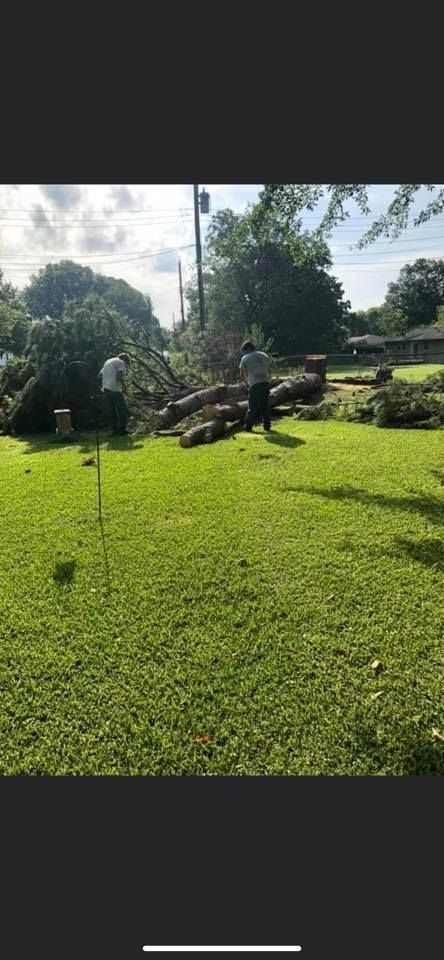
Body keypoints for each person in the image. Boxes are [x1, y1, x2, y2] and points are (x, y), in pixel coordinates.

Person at [239, 340, 271, 432]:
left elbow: (241, 374)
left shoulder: (245, 358)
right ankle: (267, 426)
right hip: (265, 382)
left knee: (252, 407)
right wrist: (268, 380)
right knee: (265, 406)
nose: (244, 353)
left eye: (244, 351)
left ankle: (248, 427)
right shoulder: (264, 355)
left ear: (248, 349)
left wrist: (247, 384)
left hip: (255, 384)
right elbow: (269, 370)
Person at [99, 353, 131, 435]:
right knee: (122, 409)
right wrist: (124, 386)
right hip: (114, 389)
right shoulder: (121, 362)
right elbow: (119, 377)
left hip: (105, 388)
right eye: (127, 363)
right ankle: (122, 430)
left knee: (112, 410)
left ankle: (115, 430)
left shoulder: (108, 361)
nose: (126, 365)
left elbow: (100, 374)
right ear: (125, 359)